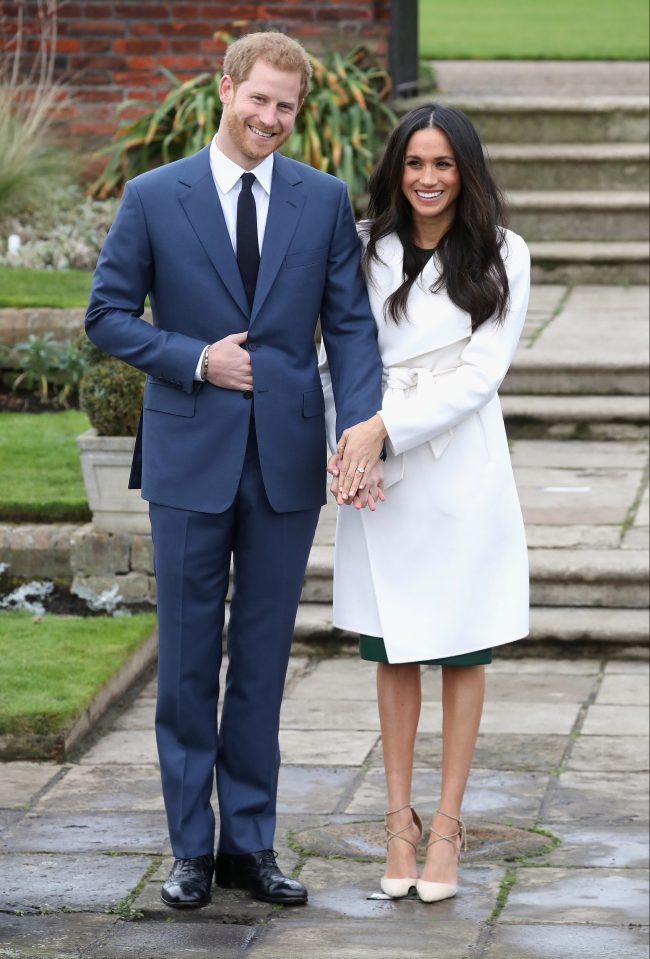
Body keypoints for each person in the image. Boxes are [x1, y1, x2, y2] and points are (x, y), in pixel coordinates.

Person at [85, 32, 384, 910]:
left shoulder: (323, 200)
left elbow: (352, 327)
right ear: (225, 90)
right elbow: (106, 315)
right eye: (259, 100)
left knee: (260, 662)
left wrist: (361, 424)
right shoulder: (153, 196)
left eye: (286, 106)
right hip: (187, 456)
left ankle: (249, 844)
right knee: (184, 663)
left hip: (287, 463)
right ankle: (188, 847)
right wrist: (193, 358)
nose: (272, 119)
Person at [320, 103, 531, 903]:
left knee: (462, 643)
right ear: (396, 169)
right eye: (415, 163)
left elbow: (481, 375)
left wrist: (383, 429)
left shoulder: (506, 253)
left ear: (466, 169)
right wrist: (353, 444)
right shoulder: (365, 246)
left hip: (460, 466)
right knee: (393, 643)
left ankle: (447, 827)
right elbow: (339, 349)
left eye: (443, 163)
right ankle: (397, 821)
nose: (429, 178)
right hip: (377, 466)